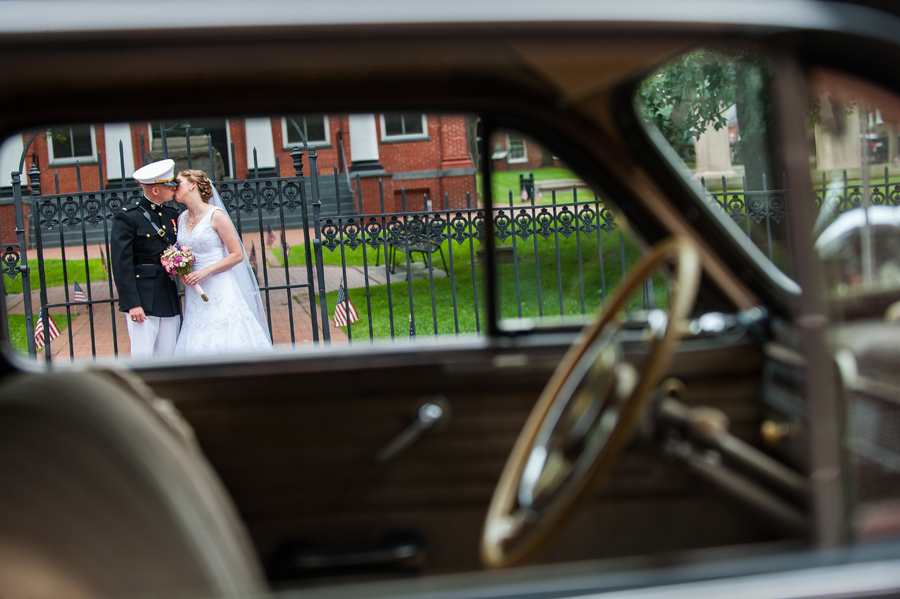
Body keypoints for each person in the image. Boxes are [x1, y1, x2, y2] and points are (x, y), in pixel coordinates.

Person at [172, 169, 272, 356]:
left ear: (192, 185)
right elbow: (183, 253)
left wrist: (206, 271)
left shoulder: (216, 215)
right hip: (195, 290)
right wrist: (182, 271)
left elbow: (236, 255)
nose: (173, 186)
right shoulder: (181, 219)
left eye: (178, 182)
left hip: (219, 285)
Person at [111, 159, 182, 358]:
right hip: (142, 296)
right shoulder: (128, 217)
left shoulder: (171, 214)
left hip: (167, 293)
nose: (174, 189)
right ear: (156, 190)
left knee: (169, 354)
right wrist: (132, 303)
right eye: (169, 186)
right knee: (143, 355)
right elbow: (121, 263)